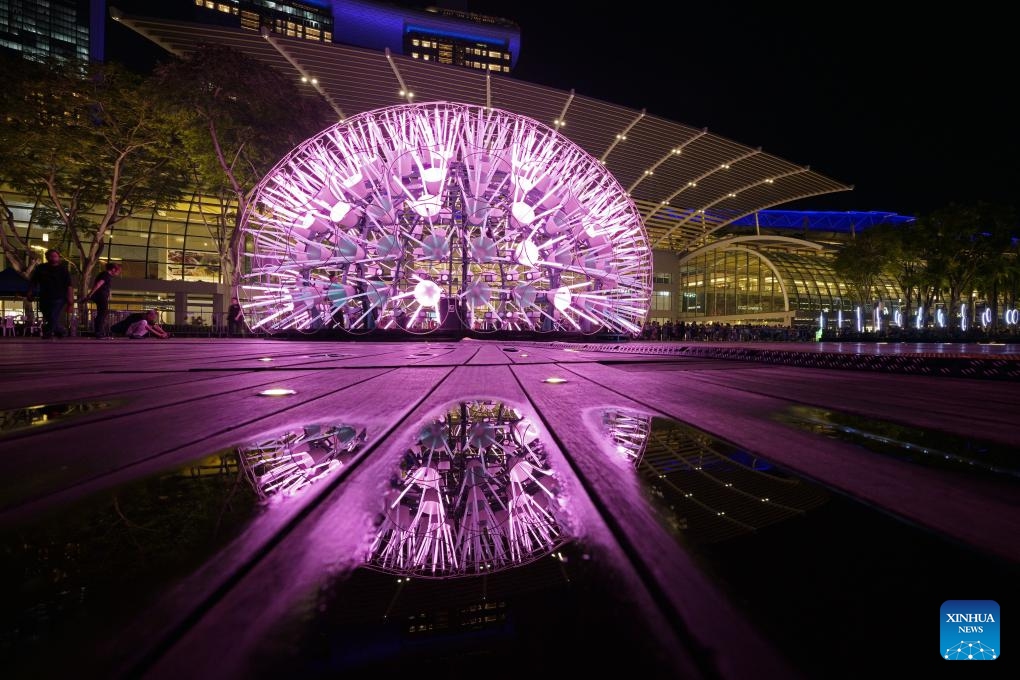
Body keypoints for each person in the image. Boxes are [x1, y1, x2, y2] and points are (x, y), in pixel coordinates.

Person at [27, 248, 74, 339]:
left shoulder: (63, 270)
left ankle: (48, 332)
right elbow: (33, 281)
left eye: (55, 256)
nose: (53, 258)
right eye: (51, 256)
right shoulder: (41, 268)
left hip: (59, 297)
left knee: (53, 315)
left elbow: (69, 286)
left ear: (58, 258)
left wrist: (70, 301)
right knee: (48, 316)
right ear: (47, 257)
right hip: (44, 296)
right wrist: (30, 292)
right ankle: (60, 330)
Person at [83, 262, 122, 339]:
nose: (118, 273)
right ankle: (99, 332)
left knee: (101, 314)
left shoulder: (105, 275)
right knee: (102, 314)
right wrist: (90, 294)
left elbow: (102, 285)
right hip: (101, 296)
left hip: (101, 296)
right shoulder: (106, 275)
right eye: (118, 271)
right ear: (113, 269)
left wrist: (109, 293)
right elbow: (98, 284)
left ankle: (98, 332)